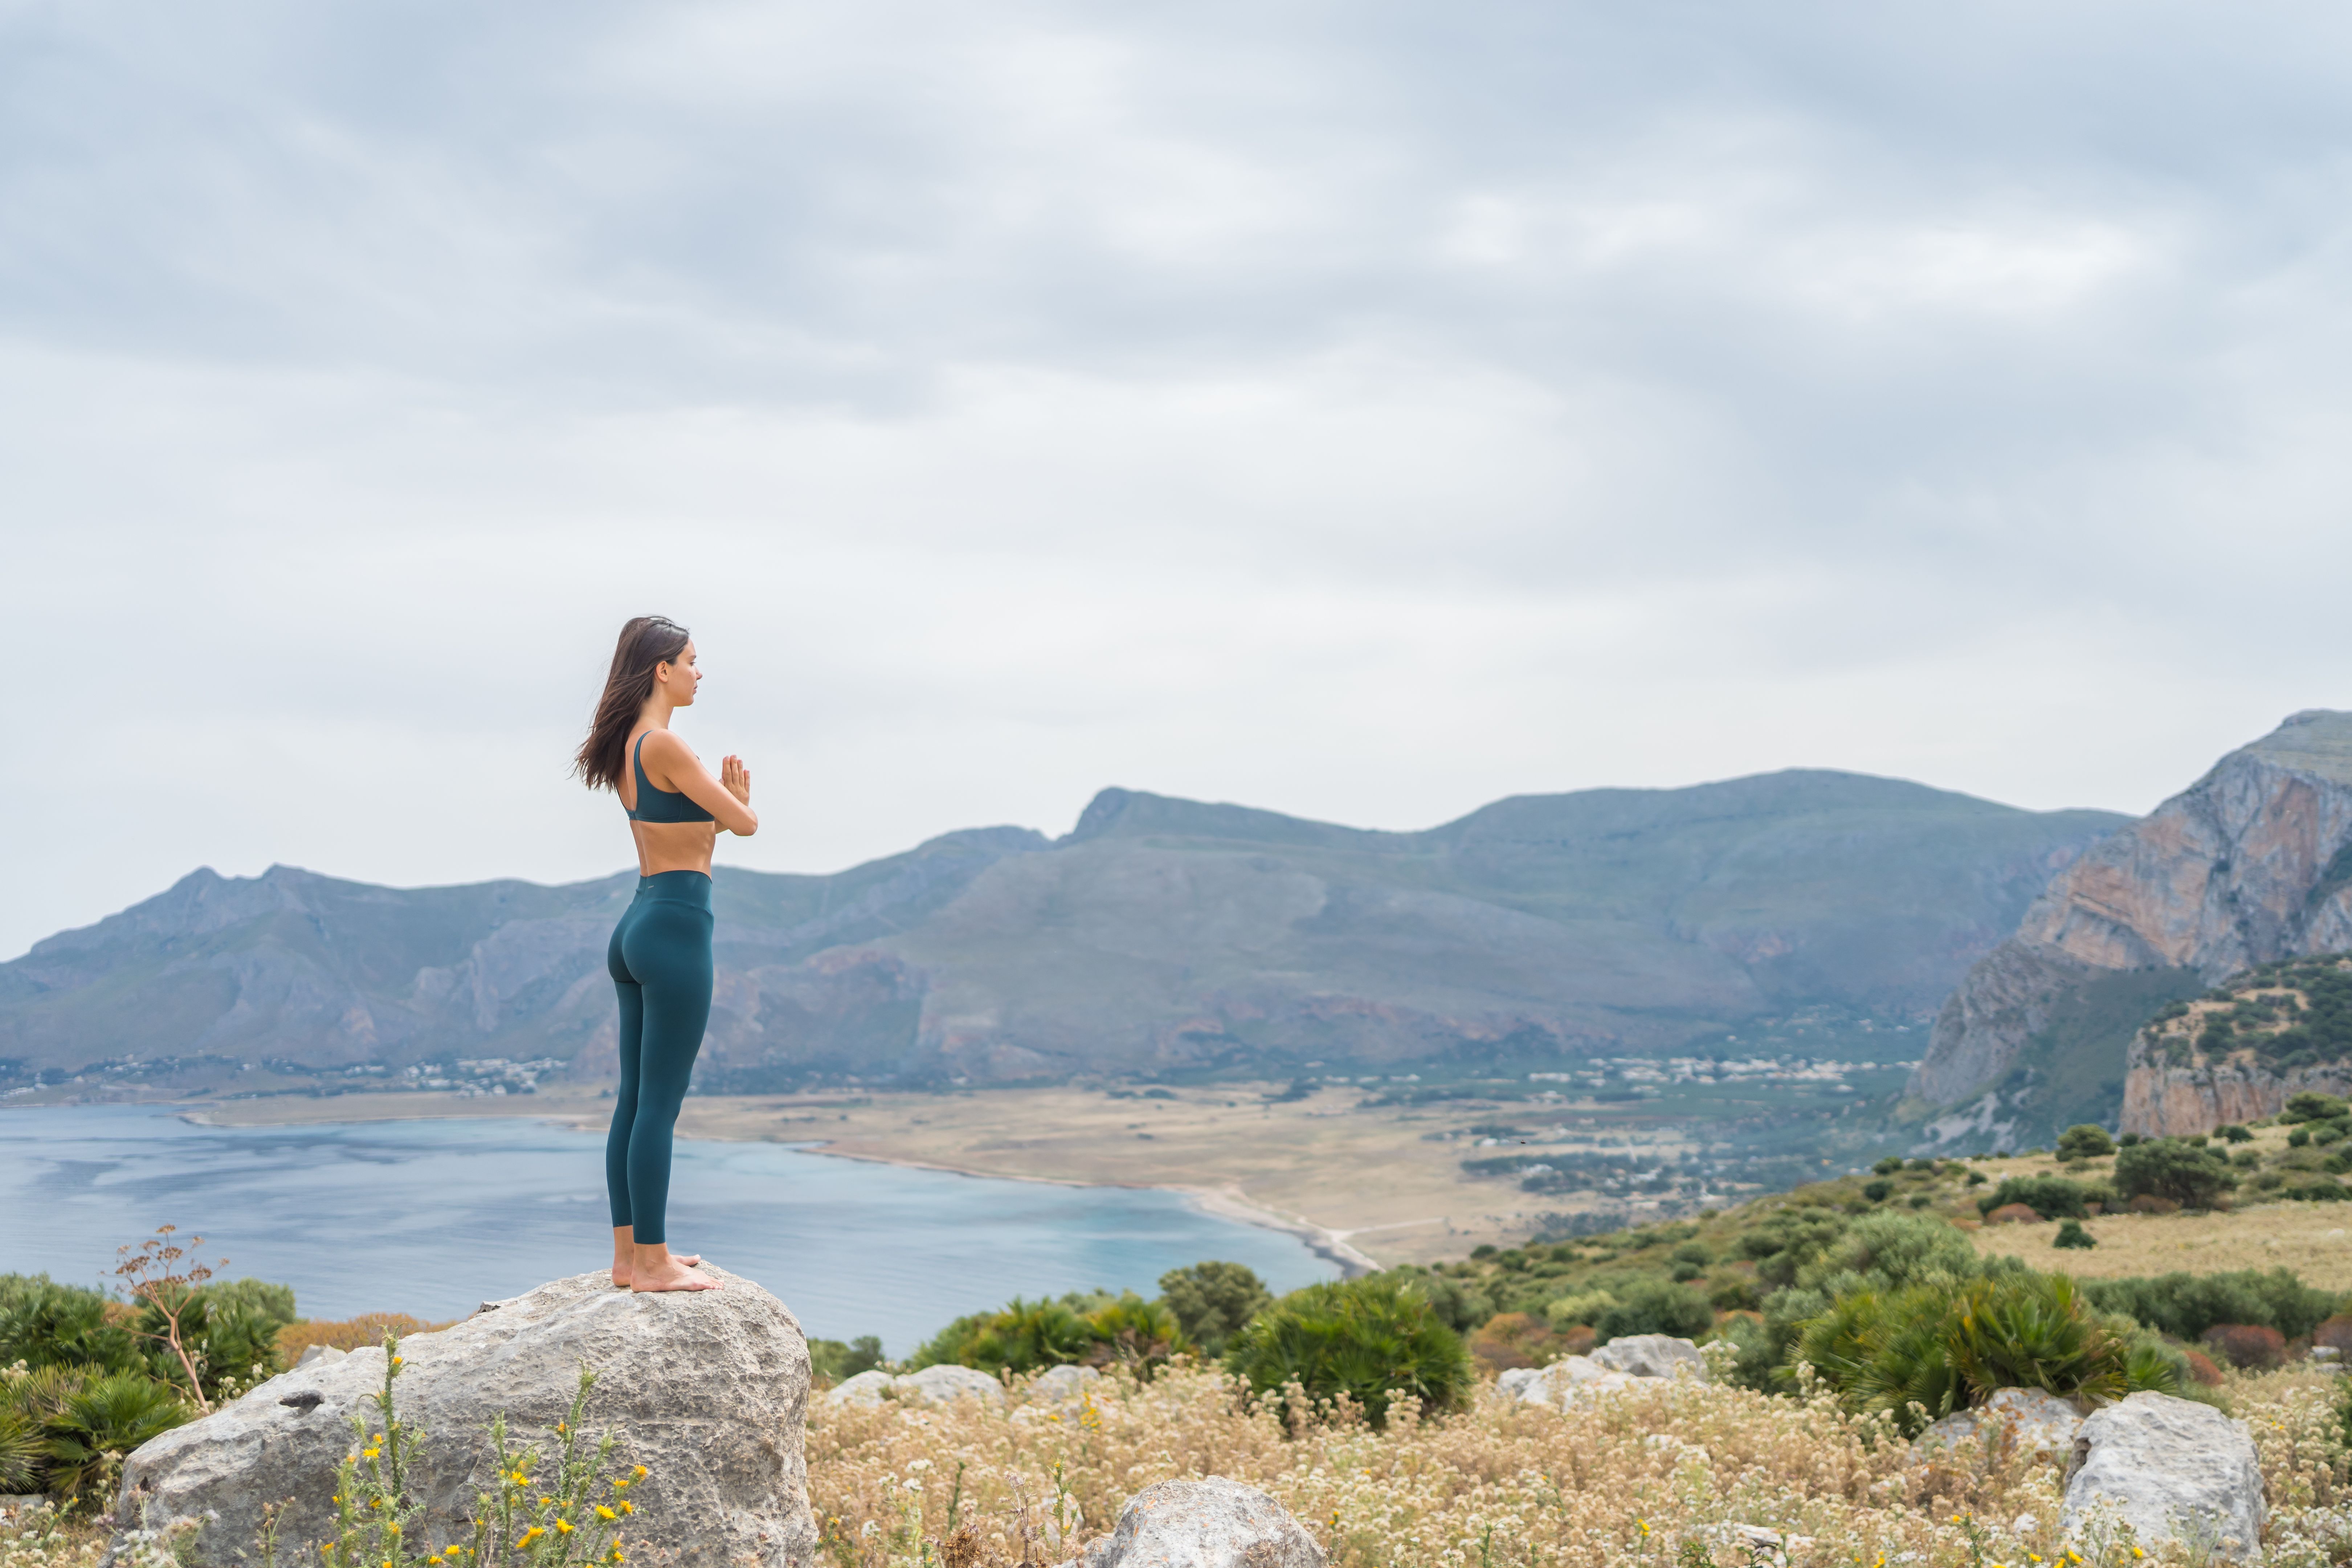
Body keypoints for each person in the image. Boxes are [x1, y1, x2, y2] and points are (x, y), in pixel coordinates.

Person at [572, 616, 758, 1292]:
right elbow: (743, 824)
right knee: (661, 1105)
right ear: (662, 670)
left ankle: (629, 1258)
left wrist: (723, 810)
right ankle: (653, 1262)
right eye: (691, 661)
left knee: (634, 1101)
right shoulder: (668, 746)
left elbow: (690, 832)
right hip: (678, 928)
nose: (698, 672)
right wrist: (738, 800)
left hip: (638, 924)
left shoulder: (628, 746)